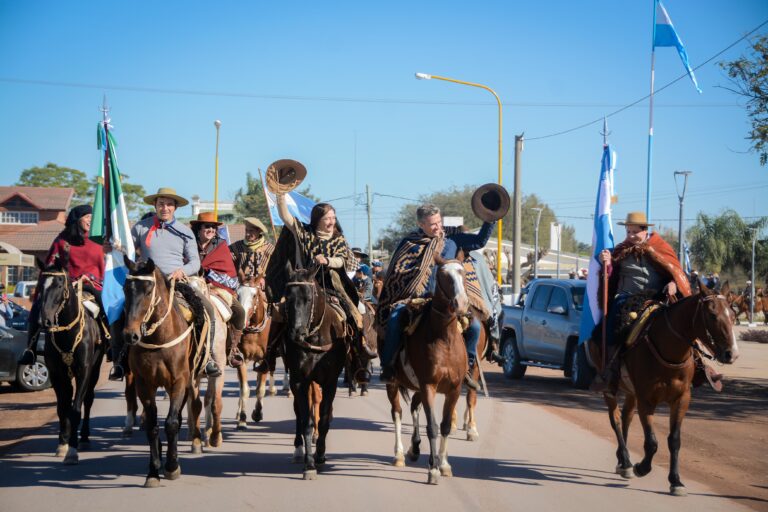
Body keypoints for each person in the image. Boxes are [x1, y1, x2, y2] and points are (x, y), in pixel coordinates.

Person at [591, 211, 716, 395]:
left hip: (656, 298)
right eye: (628, 232)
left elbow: (674, 272)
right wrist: (607, 264)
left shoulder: (660, 247)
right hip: (626, 299)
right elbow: (609, 276)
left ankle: (700, 366)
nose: (631, 236)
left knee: (682, 324)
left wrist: (673, 283)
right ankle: (610, 371)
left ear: (645, 231)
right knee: (611, 328)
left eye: (635, 232)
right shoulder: (620, 251)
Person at [377, 203, 495, 390]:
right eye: (432, 224)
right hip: (415, 300)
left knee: (474, 327)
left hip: (447, 301)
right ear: (421, 224)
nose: (437, 227)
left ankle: (467, 368)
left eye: (439, 222)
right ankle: (389, 366)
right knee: (393, 319)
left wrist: (490, 217)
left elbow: (480, 241)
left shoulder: (453, 240)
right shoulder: (410, 242)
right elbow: (398, 272)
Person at [122, 187, 222, 379]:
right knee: (121, 310)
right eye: (161, 204)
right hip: (146, 284)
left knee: (207, 310)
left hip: (175, 283)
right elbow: (126, 251)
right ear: (155, 205)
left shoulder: (185, 232)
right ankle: (120, 358)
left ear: (175, 207)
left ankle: (206, 357)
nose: (165, 208)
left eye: (169, 204)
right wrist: (114, 246)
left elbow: (195, 262)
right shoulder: (140, 227)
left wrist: (181, 271)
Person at [19, 205, 108, 366]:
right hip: (65, 284)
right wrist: (40, 290)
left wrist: (92, 277)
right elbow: (49, 265)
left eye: (92, 217)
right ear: (77, 219)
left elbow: (103, 266)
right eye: (87, 216)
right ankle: (30, 349)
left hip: (91, 284)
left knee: (106, 305)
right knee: (39, 307)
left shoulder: (97, 239)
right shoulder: (62, 240)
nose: (90, 220)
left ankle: (112, 345)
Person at [190, 212, 247, 368]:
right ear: (198, 229)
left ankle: (234, 348)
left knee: (240, 312)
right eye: (207, 226)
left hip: (216, 289)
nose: (211, 230)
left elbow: (229, 275)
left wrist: (210, 276)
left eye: (214, 227)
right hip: (190, 287)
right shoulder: (187, 243)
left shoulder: (221, 246)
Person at [229, 217, 274, 289]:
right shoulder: (235, 247)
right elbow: (227, 265)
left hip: (262, 288)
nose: (247, 234)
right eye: (246, 230)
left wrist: (265, 279)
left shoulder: (270, 249)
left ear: (259, 231)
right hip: (240, 287)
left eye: (251, 231)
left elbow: (275, 270)